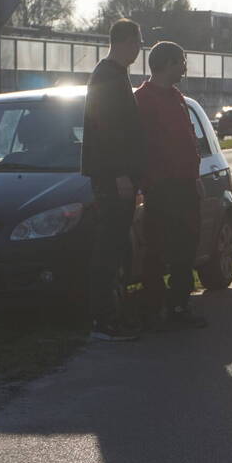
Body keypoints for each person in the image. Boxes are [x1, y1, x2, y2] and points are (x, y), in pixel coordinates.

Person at [134, 41, 207, 330]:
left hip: (186, 186)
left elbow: (187, 141)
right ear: (167, 63)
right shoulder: (144, 100)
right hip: (162, 188)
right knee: (156, 249)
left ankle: (178, 304)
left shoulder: (177, 97)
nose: (185, 67)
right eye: (181, 61)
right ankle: (154, 305)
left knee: (185, 248)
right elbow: (143, 147)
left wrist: (196, 178)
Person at [81, 18, 145, 341]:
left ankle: (112, 313)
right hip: (111, 177)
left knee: (116, 244)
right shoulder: (107, 75)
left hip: (117, 175)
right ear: (125, 41)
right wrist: (120, 173)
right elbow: (106, 128)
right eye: (138, 41)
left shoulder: (116, 74)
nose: (140, 48)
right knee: (108, 247)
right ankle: (103, 319)